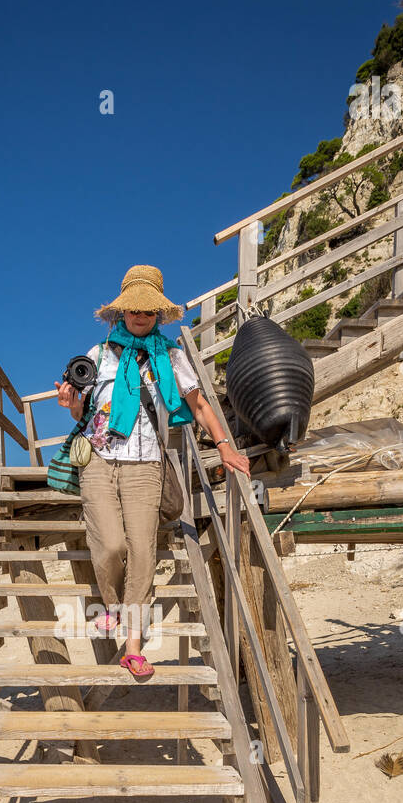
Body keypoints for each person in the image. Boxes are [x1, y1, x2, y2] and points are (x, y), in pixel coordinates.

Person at [54, 265, 250, 681]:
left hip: (146, 464)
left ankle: (133, 647)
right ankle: (111, 606)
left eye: (148, 310)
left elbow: (198, 406)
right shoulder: (97, 355)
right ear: (121, 311)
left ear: (158, 314)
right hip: (99, 459)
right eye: (133, 309)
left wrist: (225, 444)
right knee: (109, 546)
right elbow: (81, 412)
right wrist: (69, 400)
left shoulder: (172, 358)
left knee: (142, 551)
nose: (140, 316)